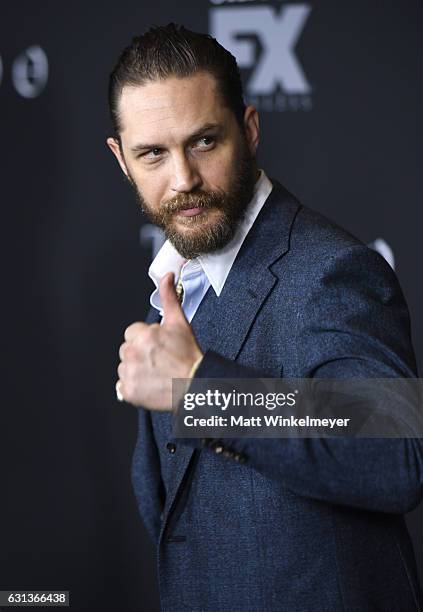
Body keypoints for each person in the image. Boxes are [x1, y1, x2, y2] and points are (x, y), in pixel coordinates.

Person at [106, 23, 423, 612]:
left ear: (248, 131)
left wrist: (202, 389)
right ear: (121, 158)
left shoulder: (331, 270)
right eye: (153, 153)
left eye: (204, 142)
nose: (183, 180)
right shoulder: (173, 282)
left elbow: (398, 450)